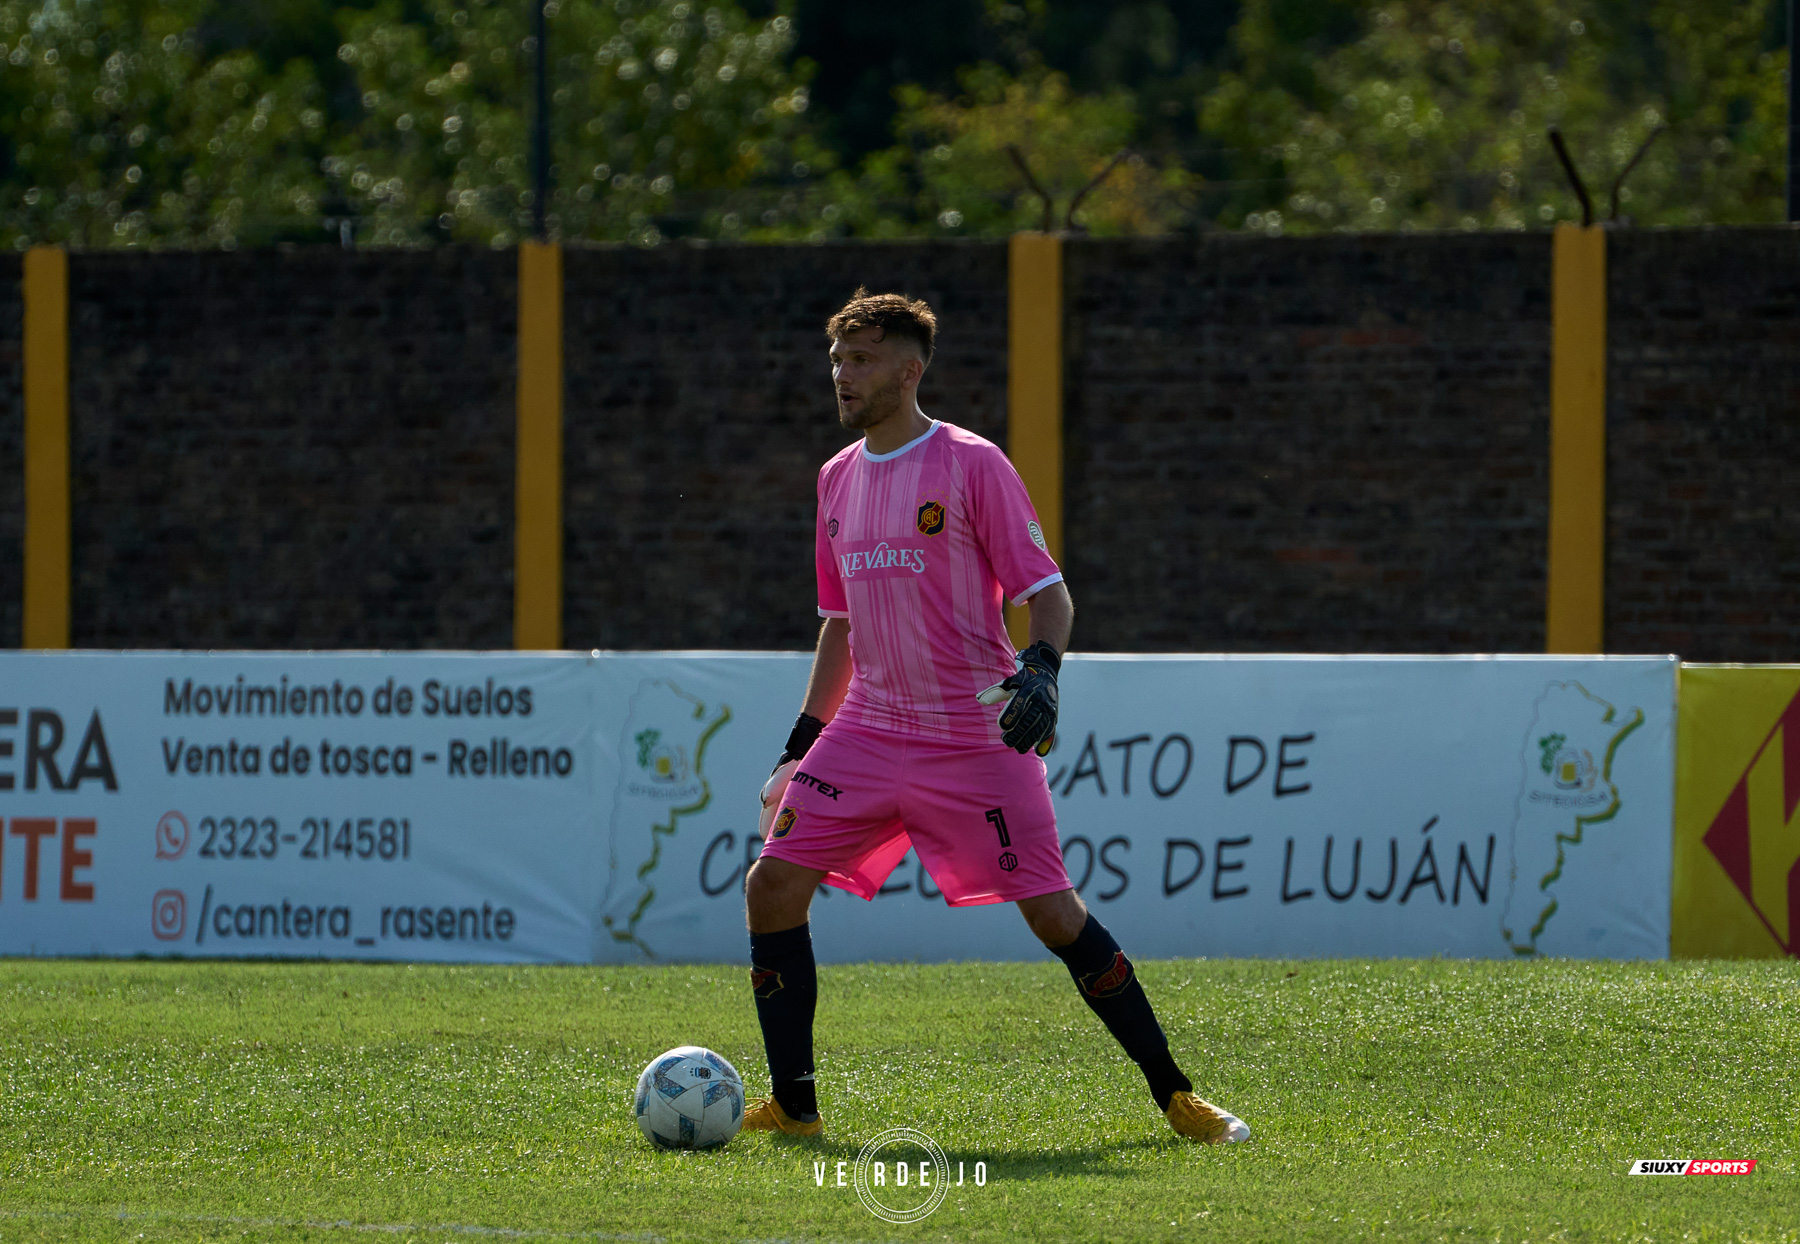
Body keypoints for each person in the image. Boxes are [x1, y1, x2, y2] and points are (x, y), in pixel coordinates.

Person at [740, 288, 1248, 1145]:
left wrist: (1041, 670)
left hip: (970, 731)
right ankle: (796, 1108)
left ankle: (1176, 1096)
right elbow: (840, 625)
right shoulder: (834, 479)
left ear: (911, 369)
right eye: (836, 361)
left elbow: (1046, 593)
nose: (841, 375)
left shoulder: (971, 464)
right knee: (771, 885)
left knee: (1055, 916)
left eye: (860, 360)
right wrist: (802, 742)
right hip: (868, 726)